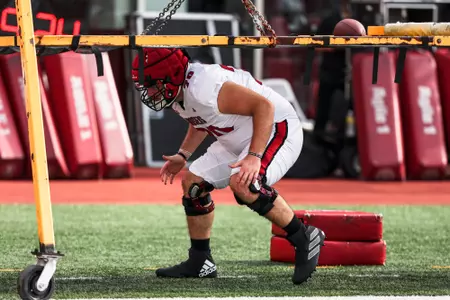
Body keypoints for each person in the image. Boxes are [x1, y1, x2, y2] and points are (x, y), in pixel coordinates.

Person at [131, 48, 325, 285]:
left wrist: (254, 156)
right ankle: (200, 260)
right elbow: (200, 119)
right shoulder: (182, 91)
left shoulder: (206, 87)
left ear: (171, 76)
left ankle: (304, 236)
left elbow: (264, 107)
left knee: (246, 184)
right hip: (238, 136)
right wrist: (184, 154)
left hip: (276, 127)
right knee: (193, 184)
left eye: (151, 84)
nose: (149, 92)